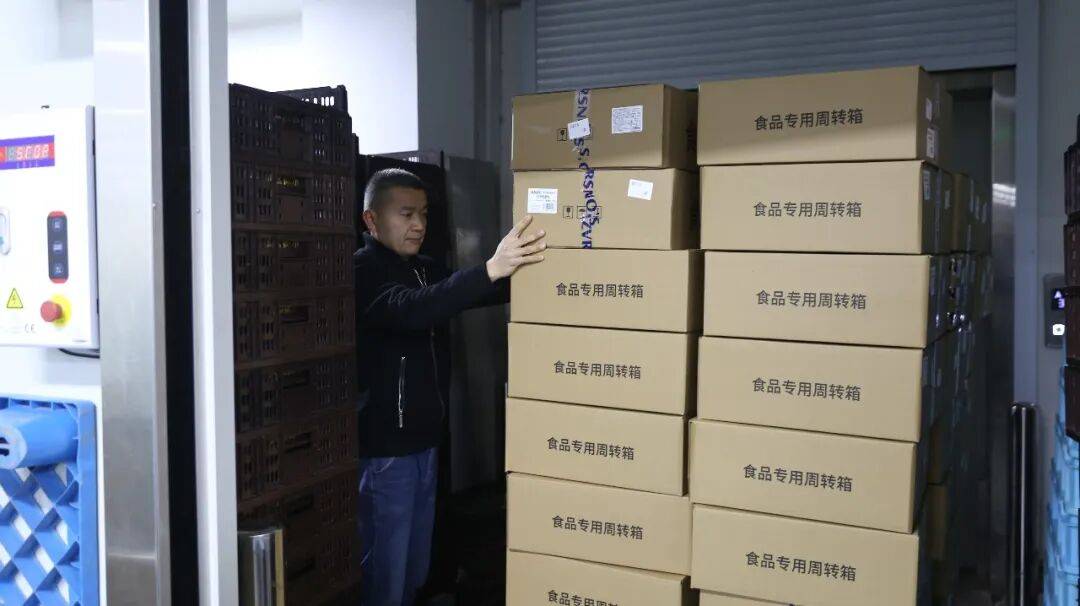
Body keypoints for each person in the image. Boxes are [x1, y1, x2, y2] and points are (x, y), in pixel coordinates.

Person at [354, 168, 545, 606]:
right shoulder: (362, 271)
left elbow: (467, 293)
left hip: (426, 443)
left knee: (415, 564)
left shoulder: (422, 269)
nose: (418, 224)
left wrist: (530, 271)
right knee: (386, 568)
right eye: (406, 214)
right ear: (371, 220)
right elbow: (412, 310)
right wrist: (489, 268)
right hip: (387, 450)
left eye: (423, 214)